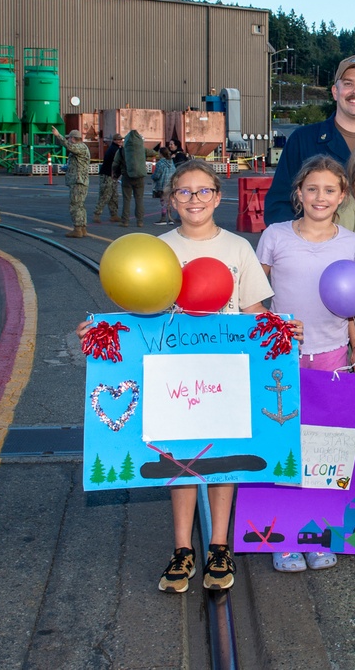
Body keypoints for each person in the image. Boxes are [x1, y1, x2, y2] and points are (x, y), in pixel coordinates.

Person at [78, 160, 275, 593]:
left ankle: (219, 546)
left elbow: (255, 314)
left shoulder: (239, 249)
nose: (194, 199)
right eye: (183, 192)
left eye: (203, 191)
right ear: (170, 201)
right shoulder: (157, 249)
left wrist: (281, 331)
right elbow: (135, 313)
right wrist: (101, 332)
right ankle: (183, 548)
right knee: (178, 458)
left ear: (217, 197)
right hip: (175, 374)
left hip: (225, 373)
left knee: (224, 459)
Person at [254, 154, 355, 572]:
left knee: (325, 448)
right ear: (299, 193)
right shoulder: (274, 236)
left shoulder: (351, 243)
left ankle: (318, 531)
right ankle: (283, 537)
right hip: (281, 356)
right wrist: (273, 327)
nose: (320, 197)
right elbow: (252, 294)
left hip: (332, 356)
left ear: (342, 195)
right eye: (312, 189)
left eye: (329, 190)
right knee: (283, 445)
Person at [264, 55, 355, 226]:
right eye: (348, 84)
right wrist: (301, 244)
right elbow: (278, 205)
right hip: (316, 249)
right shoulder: (302, 140)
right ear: (335, 91)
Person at [52, 127, 91, 238]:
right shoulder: (82, 148)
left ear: (73, 138)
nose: (68, 140)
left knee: (75, 205)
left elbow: (69, 146)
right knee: (80, 205)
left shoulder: (80, 147)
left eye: (69, 138)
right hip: (80, 180)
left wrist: (58, 135)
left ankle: (77, 229)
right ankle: (82, 228)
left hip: (78, 181)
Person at [115, 130, 153, 227]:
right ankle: (140, 221)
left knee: (126, 200)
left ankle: (125, 221)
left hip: (126, 177)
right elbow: (154, 153)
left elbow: (115, 164)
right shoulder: (142, 150)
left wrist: (115, 175)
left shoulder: (122, 150)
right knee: (139, 199)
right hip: (140, 177)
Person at [93, 133, 123, 224]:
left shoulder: (116, 149)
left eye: (120, 139)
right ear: (114, 140)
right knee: (105, 195)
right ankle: (97, 214)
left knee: (113, 196)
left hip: (112, 176)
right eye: (118, 140)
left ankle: (114, 215)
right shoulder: (115, 150)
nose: (120, 141)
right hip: (107, 175)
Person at [151, 147, 176, 225]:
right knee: (169, 202)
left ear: (161, 154)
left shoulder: (160, 163)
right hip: (170, 185)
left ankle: (163, 219)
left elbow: (156, 175)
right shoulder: (171, 162)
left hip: (162, 185)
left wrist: (152, 177)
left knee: (163, 202)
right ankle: (170, 219)